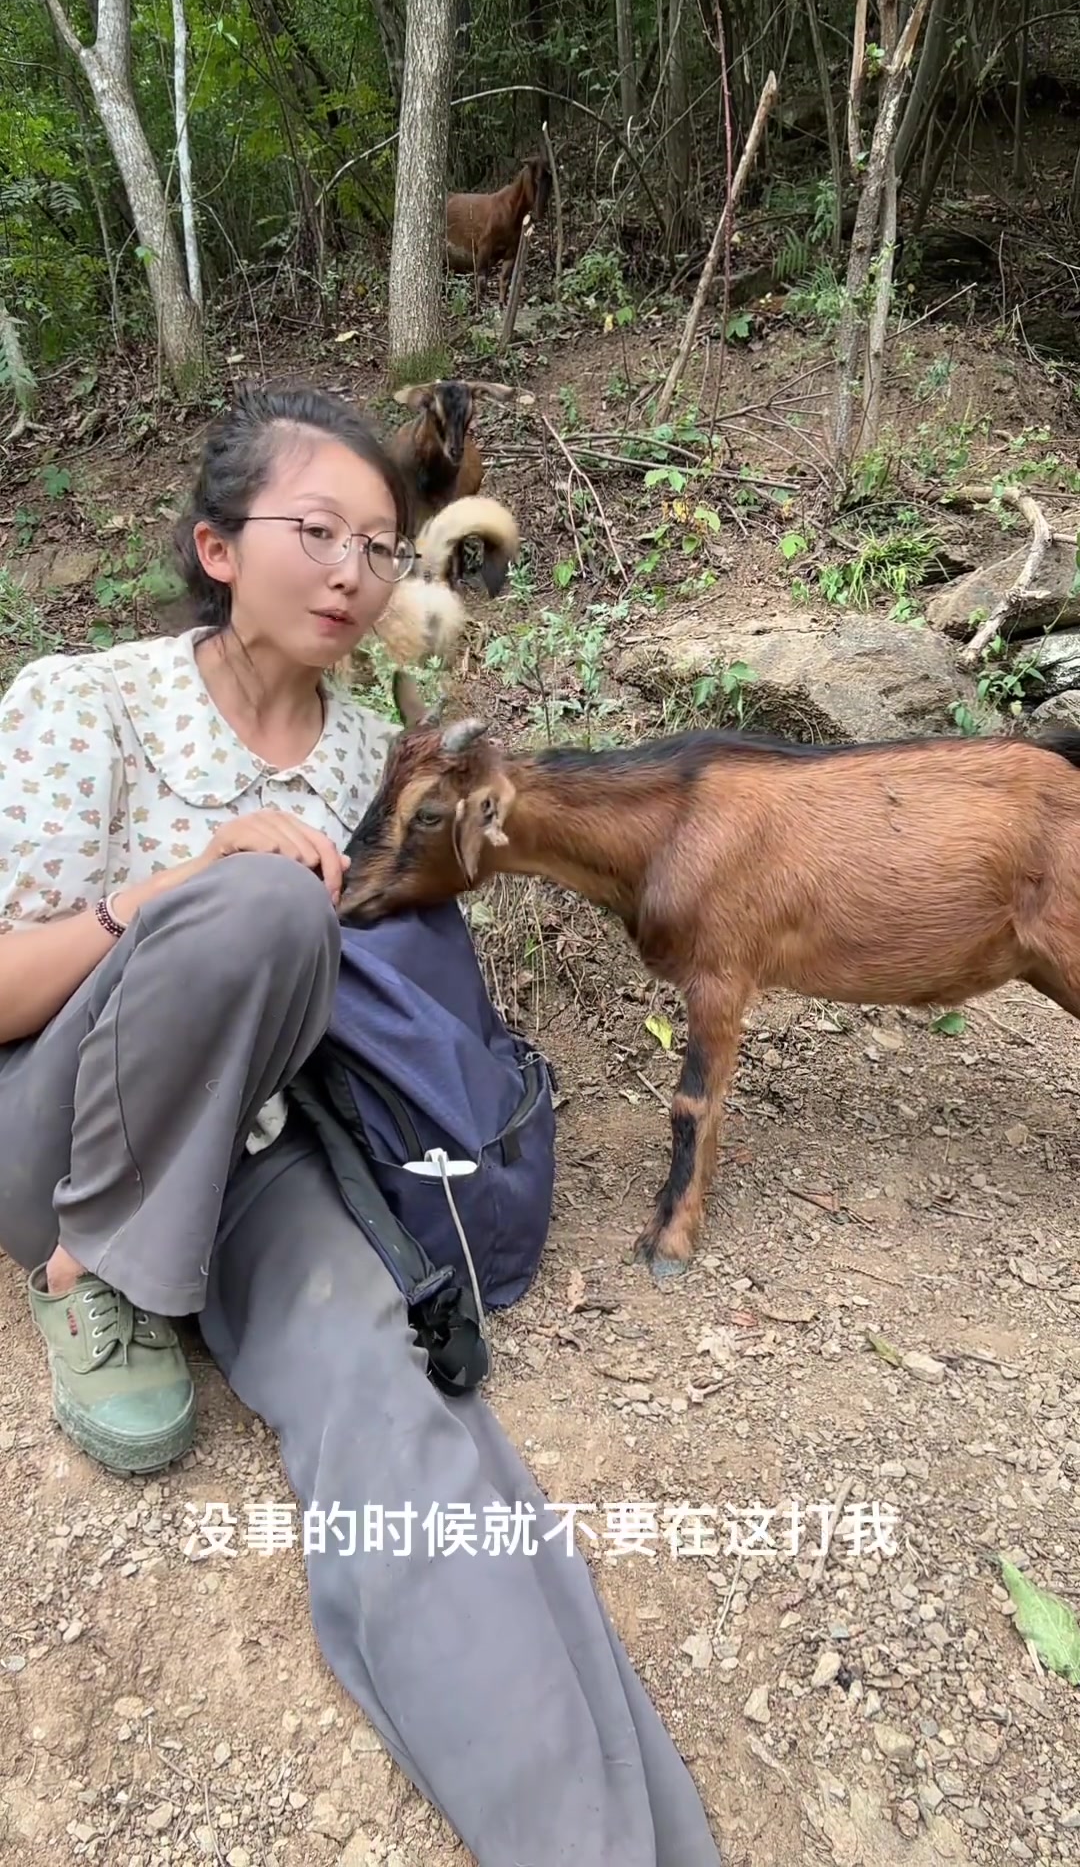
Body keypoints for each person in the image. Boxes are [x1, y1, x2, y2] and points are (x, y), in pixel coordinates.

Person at [0, 381, 723, 1867]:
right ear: (216, 548)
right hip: (56, 1133)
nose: (353, 571)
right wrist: (176, 887)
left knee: (396, 1408)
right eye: (315, 531)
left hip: (263, 1161)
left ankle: (601, 1842)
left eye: (382, 548)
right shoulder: (86, 700)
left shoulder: (357, 756)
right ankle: (100, 1274)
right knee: (262, 897)